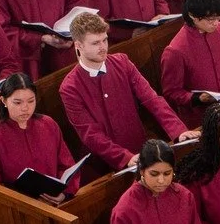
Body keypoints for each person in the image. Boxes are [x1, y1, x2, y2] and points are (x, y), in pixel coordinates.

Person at [61, 13, 196, 169]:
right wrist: (124, 157)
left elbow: (152, 99)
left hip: (139, 148)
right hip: (105, 165)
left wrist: (178, 132)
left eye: (104, 40)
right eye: (95, 43)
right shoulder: (70, 88)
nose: (103, 47)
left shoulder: (122, 62)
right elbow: (90, 134)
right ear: (78, 45)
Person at [0, 75, 79, 195]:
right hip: (19, 208)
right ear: (4, 101)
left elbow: (67, 166)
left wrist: (63, 193)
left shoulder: (48, 124)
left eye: (31, 101)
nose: (25, 108)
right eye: (18, 103)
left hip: (56, 202)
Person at [157, 0, 220, 121]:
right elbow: (171, 92)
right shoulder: (175, 51)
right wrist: (198, 98)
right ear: (193, 16)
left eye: (218, 17)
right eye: (210, 19)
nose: (215, 23)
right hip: (201, 117)